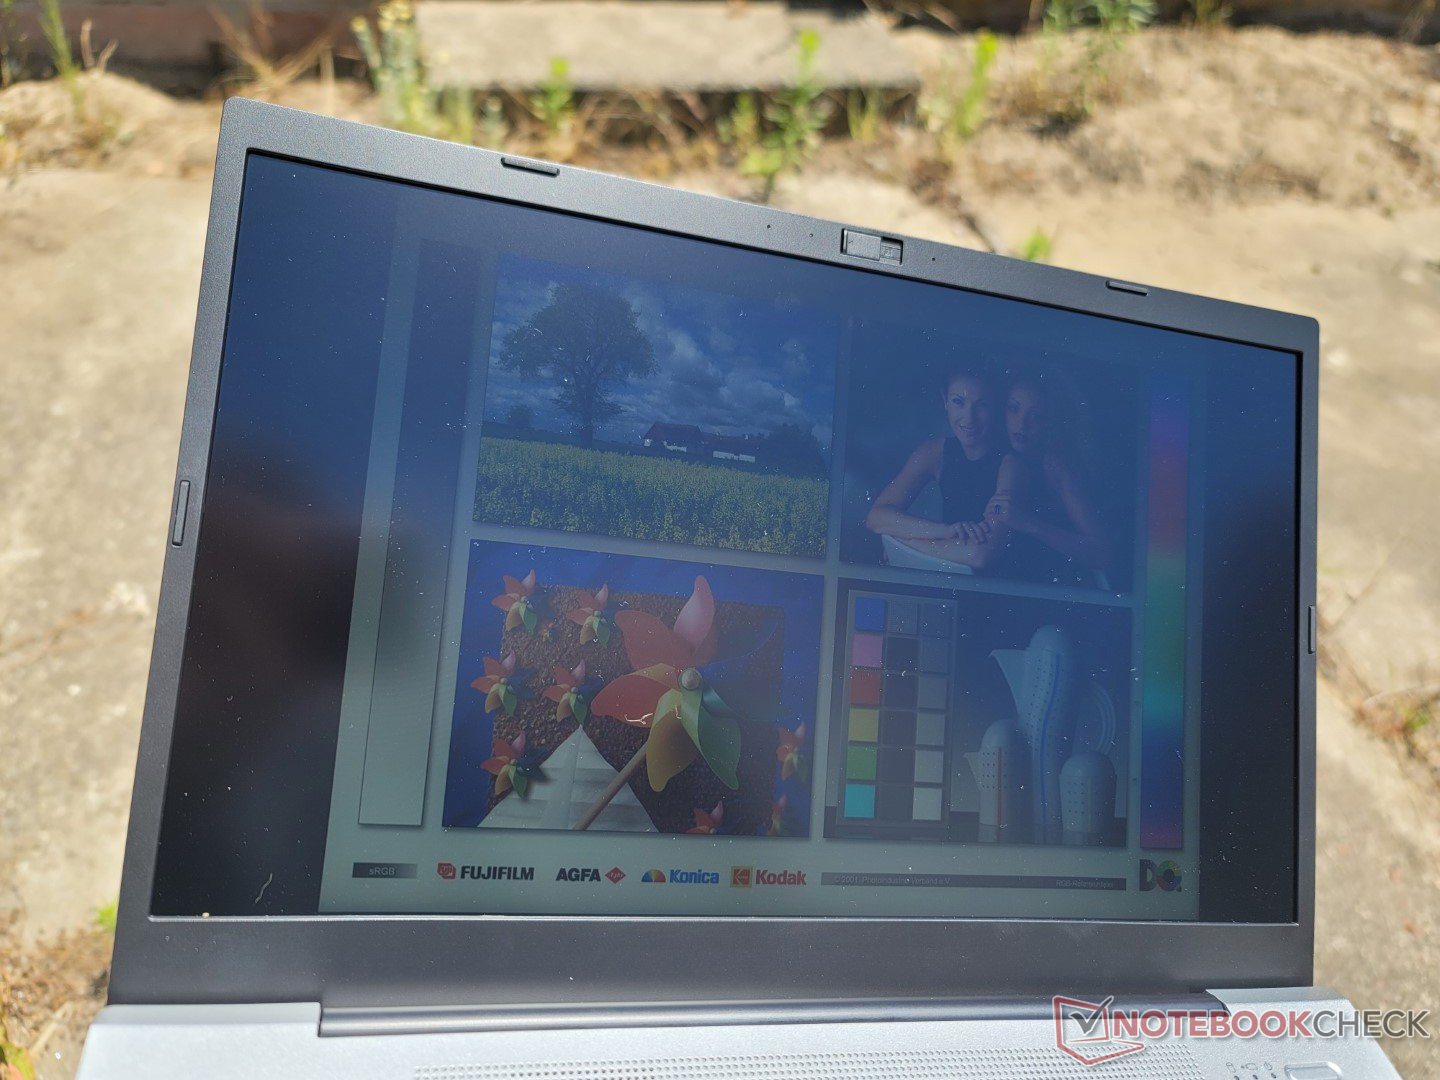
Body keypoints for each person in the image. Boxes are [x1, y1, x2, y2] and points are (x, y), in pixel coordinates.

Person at [864, 365, 1012, 571]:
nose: (969, 418)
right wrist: (942, 531)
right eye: (958, 402)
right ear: (945, 401)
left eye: (982, 405)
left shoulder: (1011, 464)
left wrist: (905, 539)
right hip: (949, 579)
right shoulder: (935, 452)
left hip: (993, 584)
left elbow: (980, 554)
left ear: (995, 406)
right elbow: (876, 517)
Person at [983, 368, 1112, 586]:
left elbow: (1102, 554)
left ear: (1051, 420)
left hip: (1062, 586)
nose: (1021, 424)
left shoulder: (1056, 463)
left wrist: (1028, 523)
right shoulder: (999, 453)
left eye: (1036, 415)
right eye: (1013, 409)